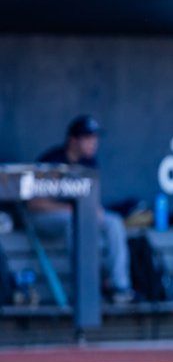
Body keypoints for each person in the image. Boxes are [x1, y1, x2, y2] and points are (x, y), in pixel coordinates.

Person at [28, 115, 136, 304]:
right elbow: (33, 204)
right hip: (44, 219)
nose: (93, 143)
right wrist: (70, 209)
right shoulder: (52, 161)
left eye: (95, 138)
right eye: (87, 138)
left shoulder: (90, 163)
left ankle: (120, 286)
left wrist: (96, 211)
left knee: (113, 222)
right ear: (73, 140)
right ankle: (86, 289)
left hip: (76, 217)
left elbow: (91, 201)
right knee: (76, 223)